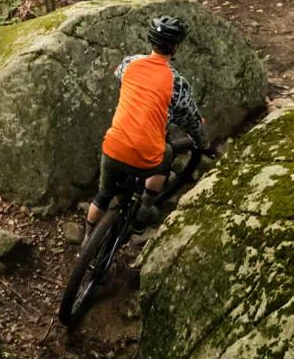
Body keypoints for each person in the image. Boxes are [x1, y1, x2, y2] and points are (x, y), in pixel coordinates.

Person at [81, 15, 210, 244]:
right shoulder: (178, 84)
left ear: (151, 40)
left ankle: (87, 239)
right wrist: (203, 144)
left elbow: (118, 76)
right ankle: (143, 215)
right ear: (175, 46)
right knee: (167, 154)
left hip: (113, 148)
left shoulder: (130, 63)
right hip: (146, 155)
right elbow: (191, 121)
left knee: (103, 195)